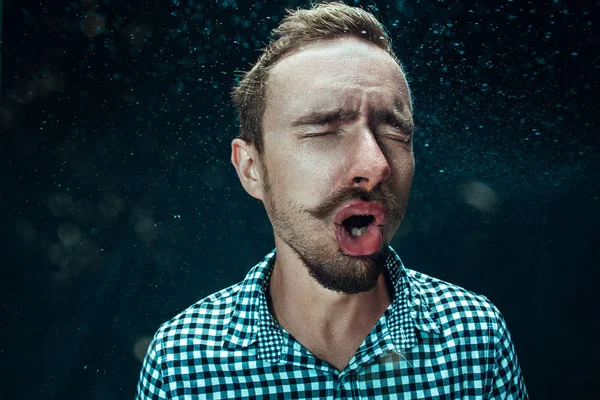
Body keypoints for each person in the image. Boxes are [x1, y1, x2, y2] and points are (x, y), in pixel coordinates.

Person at [137, 2, 529, 398]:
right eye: (324, 129)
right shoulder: (182, 362)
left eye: (395, 134)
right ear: (252, 168)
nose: (376, 165)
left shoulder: (477, 339)